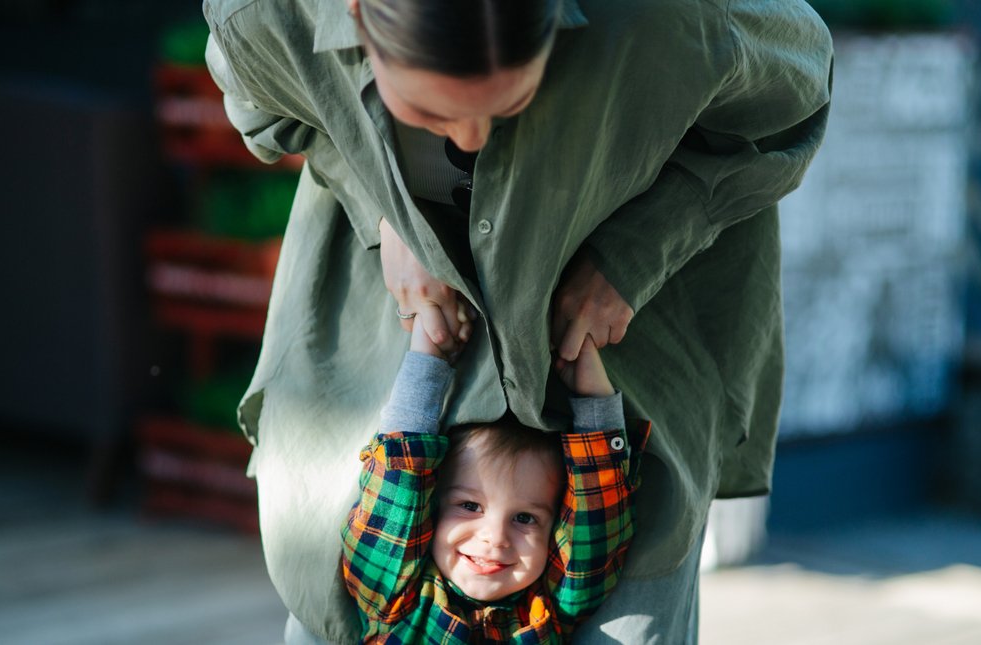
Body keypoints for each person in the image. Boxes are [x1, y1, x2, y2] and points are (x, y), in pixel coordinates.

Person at [204, 0, 832, 641]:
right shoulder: (270, 14)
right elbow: (260, 101)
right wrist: (382, 213)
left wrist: (637, 252)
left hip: (624, 339)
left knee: (633, 611)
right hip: (383, 325)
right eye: (431, 111)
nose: (471, 138)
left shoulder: (670, 16)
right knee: (328, 607)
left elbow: (793, 111)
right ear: (357, 15)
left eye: (513, 105)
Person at [342, 310, 647, 641]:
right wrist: (429, 359)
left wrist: (591, 393)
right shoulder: (395, 599)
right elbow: (394, 495)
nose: (495, 537)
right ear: (430, 508)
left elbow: (596, 531)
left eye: (525, 517)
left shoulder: (549, 607)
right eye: (470, 506)